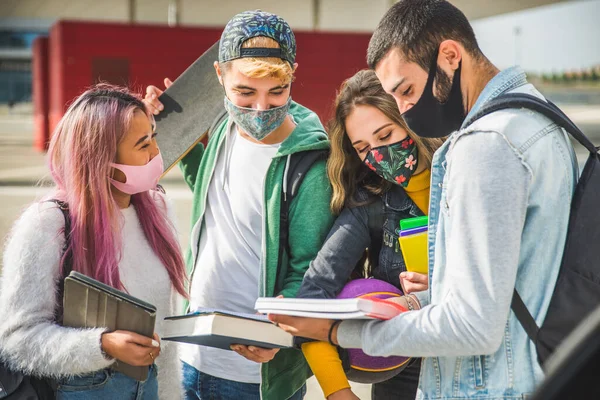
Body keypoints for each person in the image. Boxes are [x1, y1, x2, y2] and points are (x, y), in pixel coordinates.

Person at [270, 1, 579, 399]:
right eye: (363, 147)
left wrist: (339, 330)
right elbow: (526, 280)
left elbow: (472, 324)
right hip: (527, 369)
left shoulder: (483, 148)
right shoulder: (540, 119)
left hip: (490, 381)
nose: (406, 109)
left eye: (406, 92)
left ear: (450, 56)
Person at [144, 10, 334, 400]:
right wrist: (171, 129)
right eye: (245, 93)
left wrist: (280, 334)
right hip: (190, 351)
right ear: (219, 77)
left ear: (293, 74)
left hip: (253, 376)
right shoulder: (223, 126)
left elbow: (310, 272)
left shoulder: (309, 161)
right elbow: (213, 193)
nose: (260, 109)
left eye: (276, 91)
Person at [0, 84, 187, 399]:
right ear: (101, 156)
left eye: (154, 137)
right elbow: (18, 340)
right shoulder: (48, 224)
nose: (157, 153)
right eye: (143, 144)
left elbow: (164, 339)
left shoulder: (157, 209)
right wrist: (102, 345)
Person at [297, 69, 442, 400]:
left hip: (476, 364)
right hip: (402, 371)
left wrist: (437, 291)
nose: (377, 154)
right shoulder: (368, 204)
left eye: (385, 134)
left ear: (409, 118)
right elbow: (313, 295)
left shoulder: (467, 178)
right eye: (362, 147)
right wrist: (336, 390)